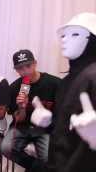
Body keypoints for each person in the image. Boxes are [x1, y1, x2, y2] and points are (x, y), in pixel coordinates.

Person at [31, 12, 96, 172]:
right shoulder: (68, 80)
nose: (65, 40)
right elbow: (66, 127)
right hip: (59, 164)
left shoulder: (93, 76)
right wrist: (49, 122)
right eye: (63, 35)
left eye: (75, 34)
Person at [0, 49, 60, 171]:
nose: (25, 71)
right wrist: (22, 108)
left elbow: (63, 112)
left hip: (45, 129)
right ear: (16, 70)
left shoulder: (54, 83)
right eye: (20, 68)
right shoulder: (14, 88)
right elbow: (18, 119)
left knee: (48, 156)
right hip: (23, 127)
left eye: (28, 65)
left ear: (35, 63)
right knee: (5, 148)